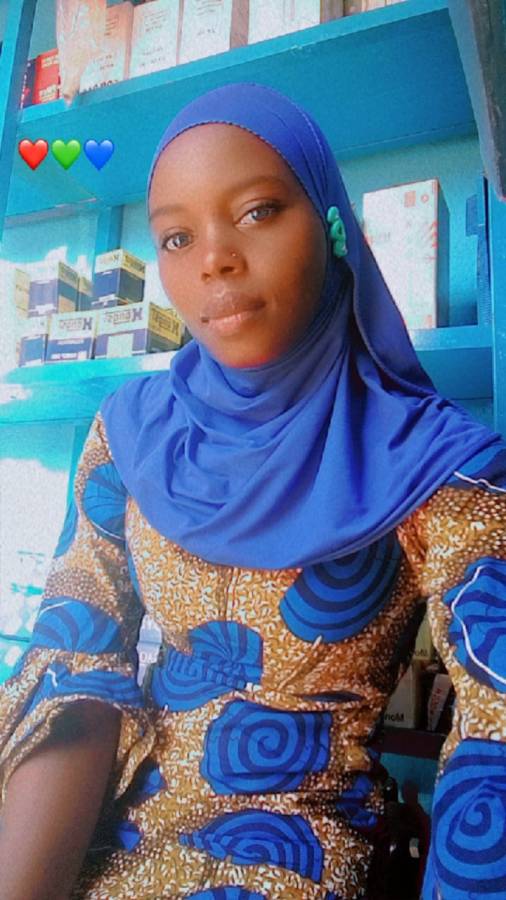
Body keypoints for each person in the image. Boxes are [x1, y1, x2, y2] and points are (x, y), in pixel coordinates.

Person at [0, 81, 505, 900]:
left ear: (332, 224)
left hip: (297, 854)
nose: (214, 259)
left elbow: (496, 734)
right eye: (177, 236)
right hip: (105, 832)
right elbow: (75, 671)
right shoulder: (129, 435)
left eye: (258, 211)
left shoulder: (441, 464)